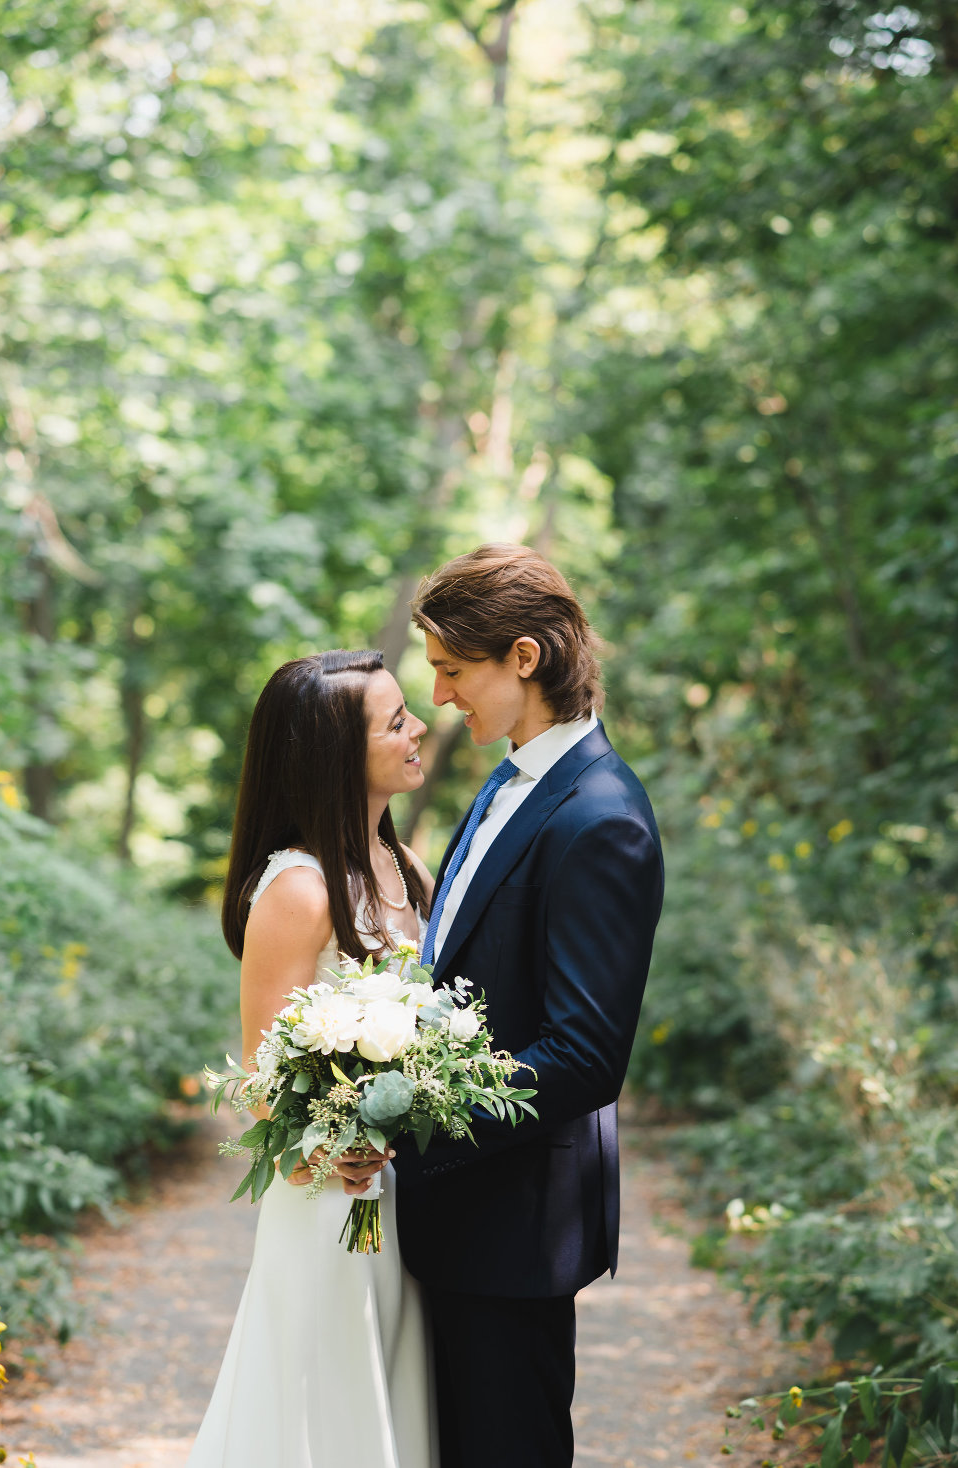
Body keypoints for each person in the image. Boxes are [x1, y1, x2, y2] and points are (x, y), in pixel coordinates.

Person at [393, 544, 664, 1468]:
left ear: (524, 657)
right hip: (458, 1213)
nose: (438, 696)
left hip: (517, 1224)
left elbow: (586, 1054)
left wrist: (408, 1119)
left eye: (451, 670)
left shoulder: (602, 818)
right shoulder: (510, 782)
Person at [187, 650, 437, 1468]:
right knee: (327, 1409)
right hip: (335, 1195)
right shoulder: (298, 892)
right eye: (395, 721)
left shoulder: (408, 867)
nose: (420, 728)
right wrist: (334, 1148)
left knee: (392, 1394)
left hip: (407, 1191)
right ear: (335, 756)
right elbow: (261, 1077)